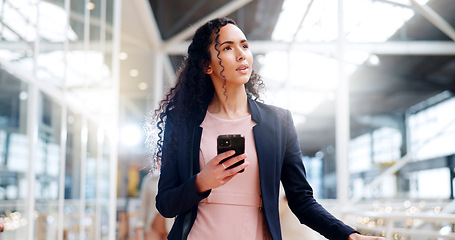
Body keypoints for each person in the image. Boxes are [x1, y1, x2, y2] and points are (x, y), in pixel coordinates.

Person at [152, 17, 385, 240]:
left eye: (244, 45)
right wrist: (202, 182)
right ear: (206, 65)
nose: (242, 54)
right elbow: (165, 204)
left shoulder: (278, 122)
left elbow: (301, 200)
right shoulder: (182, 123)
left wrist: (348, 234)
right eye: (227, 48)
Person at [135, 173, 168, 240]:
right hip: (152, 225)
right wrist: (138, 227)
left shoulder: (175, 177)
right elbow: (143, 204)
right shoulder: (148, 180)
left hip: (170, 226)